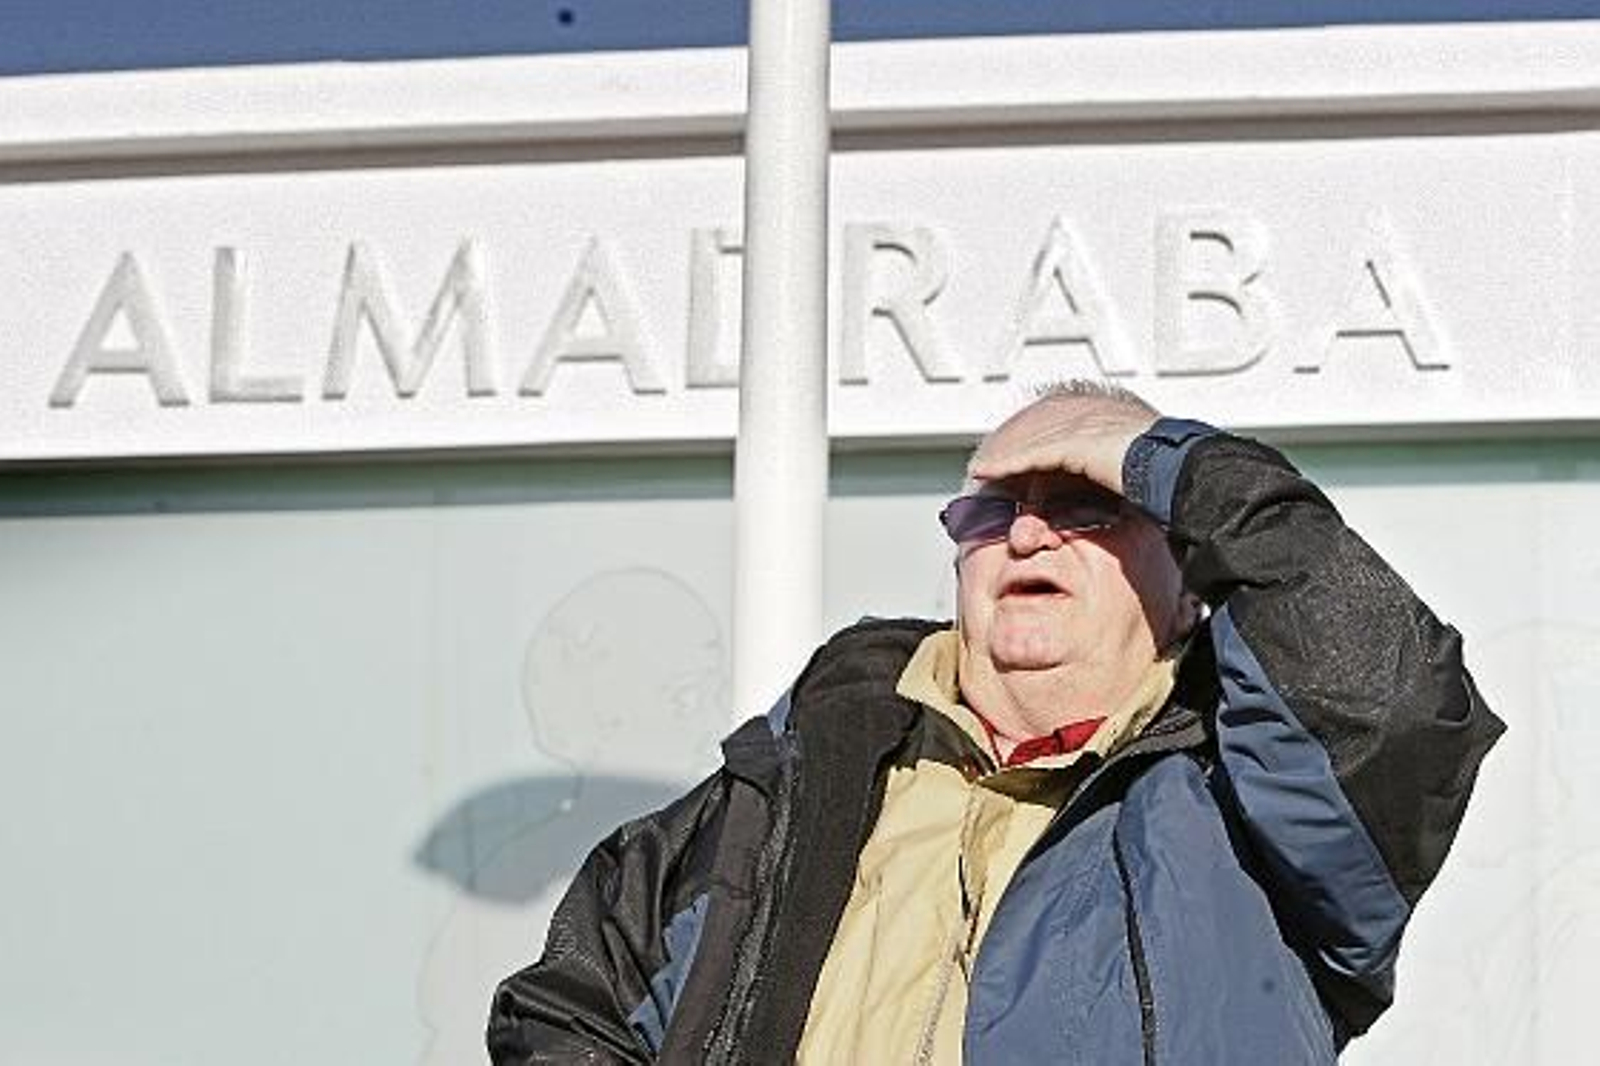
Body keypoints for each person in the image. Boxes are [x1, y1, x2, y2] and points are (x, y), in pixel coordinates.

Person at [487, 381, 1505, 1064]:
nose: (1025, 531)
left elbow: (1386, 692)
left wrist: (1170, 463)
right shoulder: (799, 777)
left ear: (1190, 576)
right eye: (991, 510)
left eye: (1086, 502)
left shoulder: (1250, 805)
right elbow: (573, 1007)